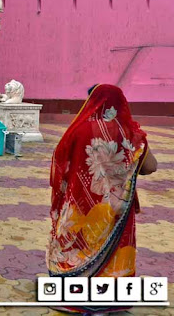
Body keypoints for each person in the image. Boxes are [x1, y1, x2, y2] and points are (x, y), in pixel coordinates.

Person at [46, 84, 157, 314]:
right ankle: (108, 302)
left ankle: (73, 297)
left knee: (79, 245)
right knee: (114, 252)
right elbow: (151, 167)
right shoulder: (130, 134)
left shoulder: (78, 130)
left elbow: (59, 159)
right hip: (116, 209)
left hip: (81, 205)